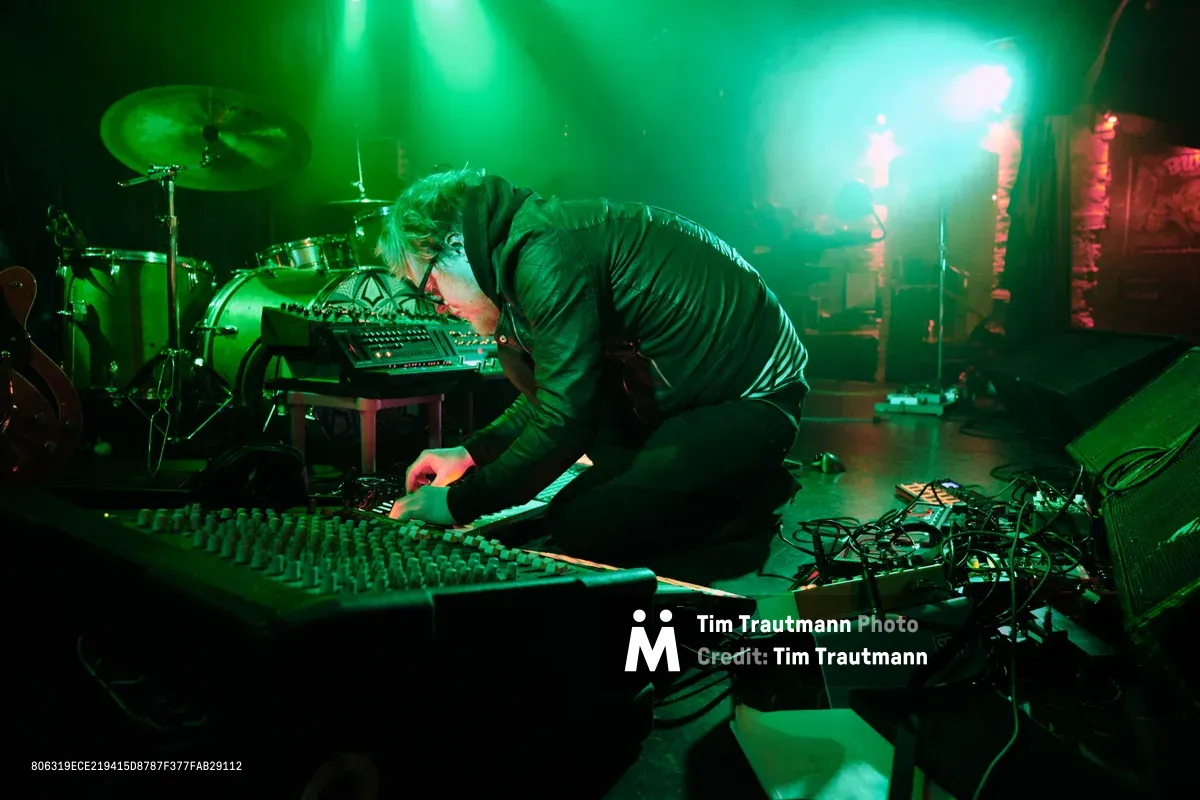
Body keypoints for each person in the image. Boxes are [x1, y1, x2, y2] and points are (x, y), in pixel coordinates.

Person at [381, 168, 808, 566]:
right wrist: (471, 453)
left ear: (454, 245)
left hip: (755, 403)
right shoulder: (521, 249)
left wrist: (458, 504)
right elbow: (560, 389)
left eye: (430, 284)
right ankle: (727, 477)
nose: (439, 304)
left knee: (584, 523)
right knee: (587, 495)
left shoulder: (543, 252)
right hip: (701, 399)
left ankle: (755, 490)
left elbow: (565, 418)